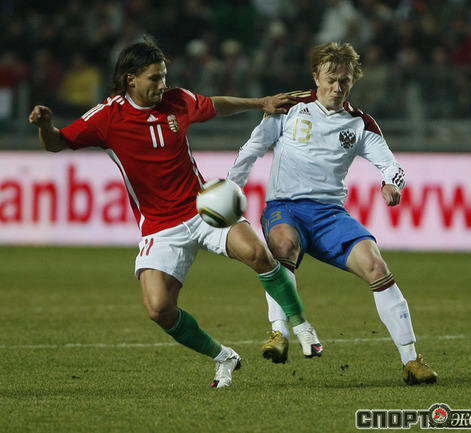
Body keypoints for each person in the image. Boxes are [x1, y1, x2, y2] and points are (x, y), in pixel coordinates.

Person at [28, 41, 322, 389]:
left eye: (164, 76)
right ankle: (223, 356)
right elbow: (57, 142)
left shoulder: (176, 100)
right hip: (160, 226)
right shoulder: (107, 117)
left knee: (259, 254)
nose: (162, 84)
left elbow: (215, 105)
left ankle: (302, 325)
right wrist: (45, 125)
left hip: (203, 208)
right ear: (131, 79)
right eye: (155, 78)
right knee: (158, 308)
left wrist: (261, 103)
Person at [227, 41, 438, 385]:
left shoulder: (360, 124)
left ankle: (411, 360)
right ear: (316, 77)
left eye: (344, 81)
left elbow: (392, 165)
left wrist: (391, 183)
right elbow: (253, 148)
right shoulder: (289, 107)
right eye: (330, 79)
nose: (337, 88)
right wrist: (232, 187)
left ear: (352, 82)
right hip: (285, 207)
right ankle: (279, 334)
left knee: (377, 266)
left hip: (330, 216)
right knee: (284, 246)